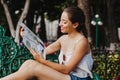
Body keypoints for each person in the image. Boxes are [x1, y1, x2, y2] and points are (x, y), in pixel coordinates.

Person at [0, 6, 93, 80]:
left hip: (77, 78)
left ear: (75, 24)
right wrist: (26, 37)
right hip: (64, 76)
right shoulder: (63, 39)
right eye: (60, 20)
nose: (60, 24)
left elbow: (67, 69)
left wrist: (42, 61)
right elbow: (41, 51)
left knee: (34, 68)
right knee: (29, 63)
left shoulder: (82, 42)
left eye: (64, 22)